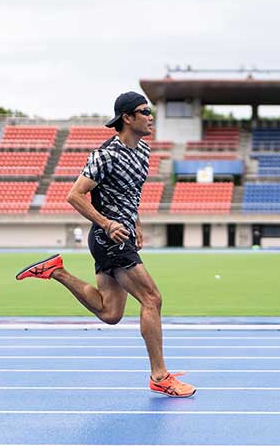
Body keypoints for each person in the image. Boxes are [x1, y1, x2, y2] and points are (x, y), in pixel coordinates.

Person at [15, 91, 194, 398]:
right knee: (152, 298)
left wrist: (136, 223)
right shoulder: (105, 155)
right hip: (108, 237)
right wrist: (108, 223)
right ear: (127, 117)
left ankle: (57, 271)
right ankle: (160, 375)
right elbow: (74, 195)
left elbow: (129, 195)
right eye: (144, 112)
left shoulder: (142, 152)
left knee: (110, 313)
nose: (151, 117)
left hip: (122, 236)